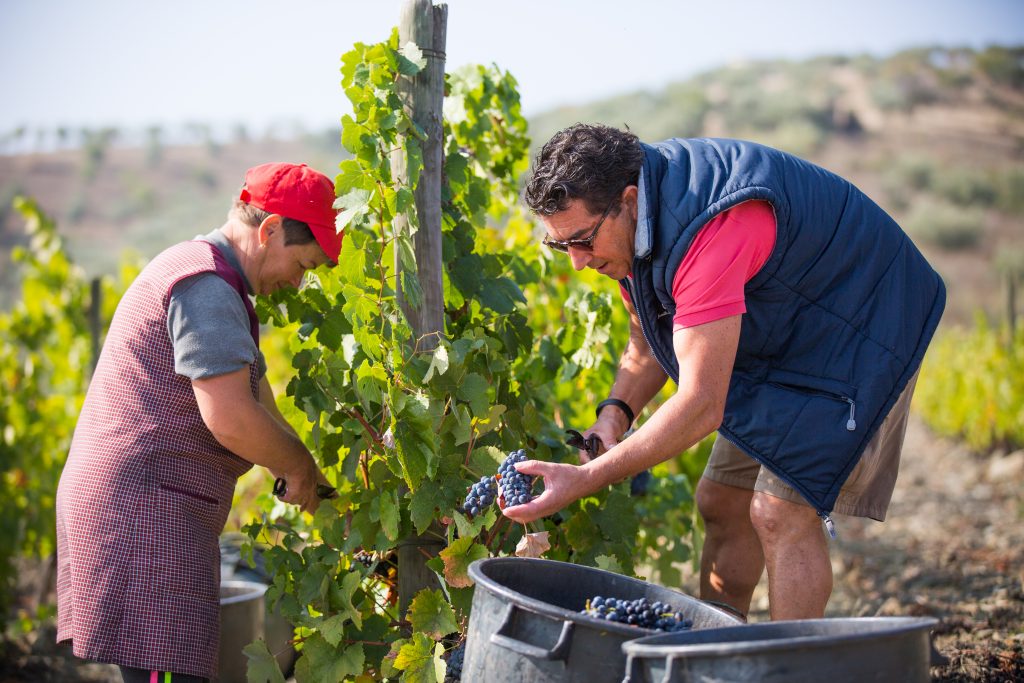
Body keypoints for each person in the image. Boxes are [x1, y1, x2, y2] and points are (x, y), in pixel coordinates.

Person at [504, 124, 945, 621]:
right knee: (720, 499)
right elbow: (647, 336)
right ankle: (719, 651)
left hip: (863, 321)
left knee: (779, 513)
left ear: (628, 201)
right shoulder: (634, 226)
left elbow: (701, 405)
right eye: (561, 247)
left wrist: (587, 478)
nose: (578, 262)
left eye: (582, 241)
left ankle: (789, 670)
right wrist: (615, 416)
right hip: (784, 333)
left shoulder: (710, 229)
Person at [55, 162, 342, 682]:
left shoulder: (216, 281)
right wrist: (294, 465)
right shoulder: (205, 288)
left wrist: (315, 486)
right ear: (270, 229)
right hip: (143, 517)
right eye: (302, 264)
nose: (298, 283)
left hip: (154, 507)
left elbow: (258, 401)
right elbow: (231, 419)